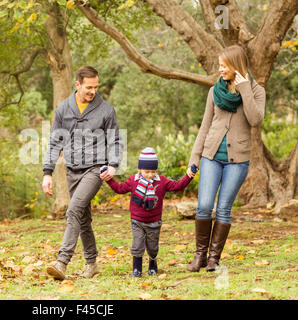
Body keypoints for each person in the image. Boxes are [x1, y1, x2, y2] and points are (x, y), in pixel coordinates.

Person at [187, 45, 265, 272]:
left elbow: (255, 120)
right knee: (203, 206)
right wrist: (195, 157)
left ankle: (213, 259)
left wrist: (244, 89)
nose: (220, 69)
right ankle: (199, 256)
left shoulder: (256, 91)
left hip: (237, 161)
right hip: (211, 156)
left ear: (235, 66)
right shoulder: (214, 91)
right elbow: (204, 126)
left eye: (224, 65)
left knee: (223, 209)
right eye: (219, 65)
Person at [42, 66, 123, 280]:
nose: (92, 91)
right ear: (77, 85)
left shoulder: (106, 110)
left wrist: (113, 164)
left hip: (95, 169)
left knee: (73, 210)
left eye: (96, 87)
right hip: (72, 171)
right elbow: (54, 142)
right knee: (83, 218)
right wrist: (47, 172)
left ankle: (62, 262)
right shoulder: (63, 109)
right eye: (88, 87)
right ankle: (91, 263)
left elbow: (115, 140)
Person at [103, 147, 195, 277]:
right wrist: (108, 179)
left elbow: (178, 186)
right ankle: (137, 269)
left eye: (153, 171)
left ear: (156, 170)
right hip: (137, 221)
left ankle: (152, 263)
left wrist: (188, 176)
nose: (150, 174)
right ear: (140, 170)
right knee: (137, 245)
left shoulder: (161, 181)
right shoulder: (133, 181)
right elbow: (119, 188)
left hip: (154, 222)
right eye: (146, 171)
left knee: (152, 247)